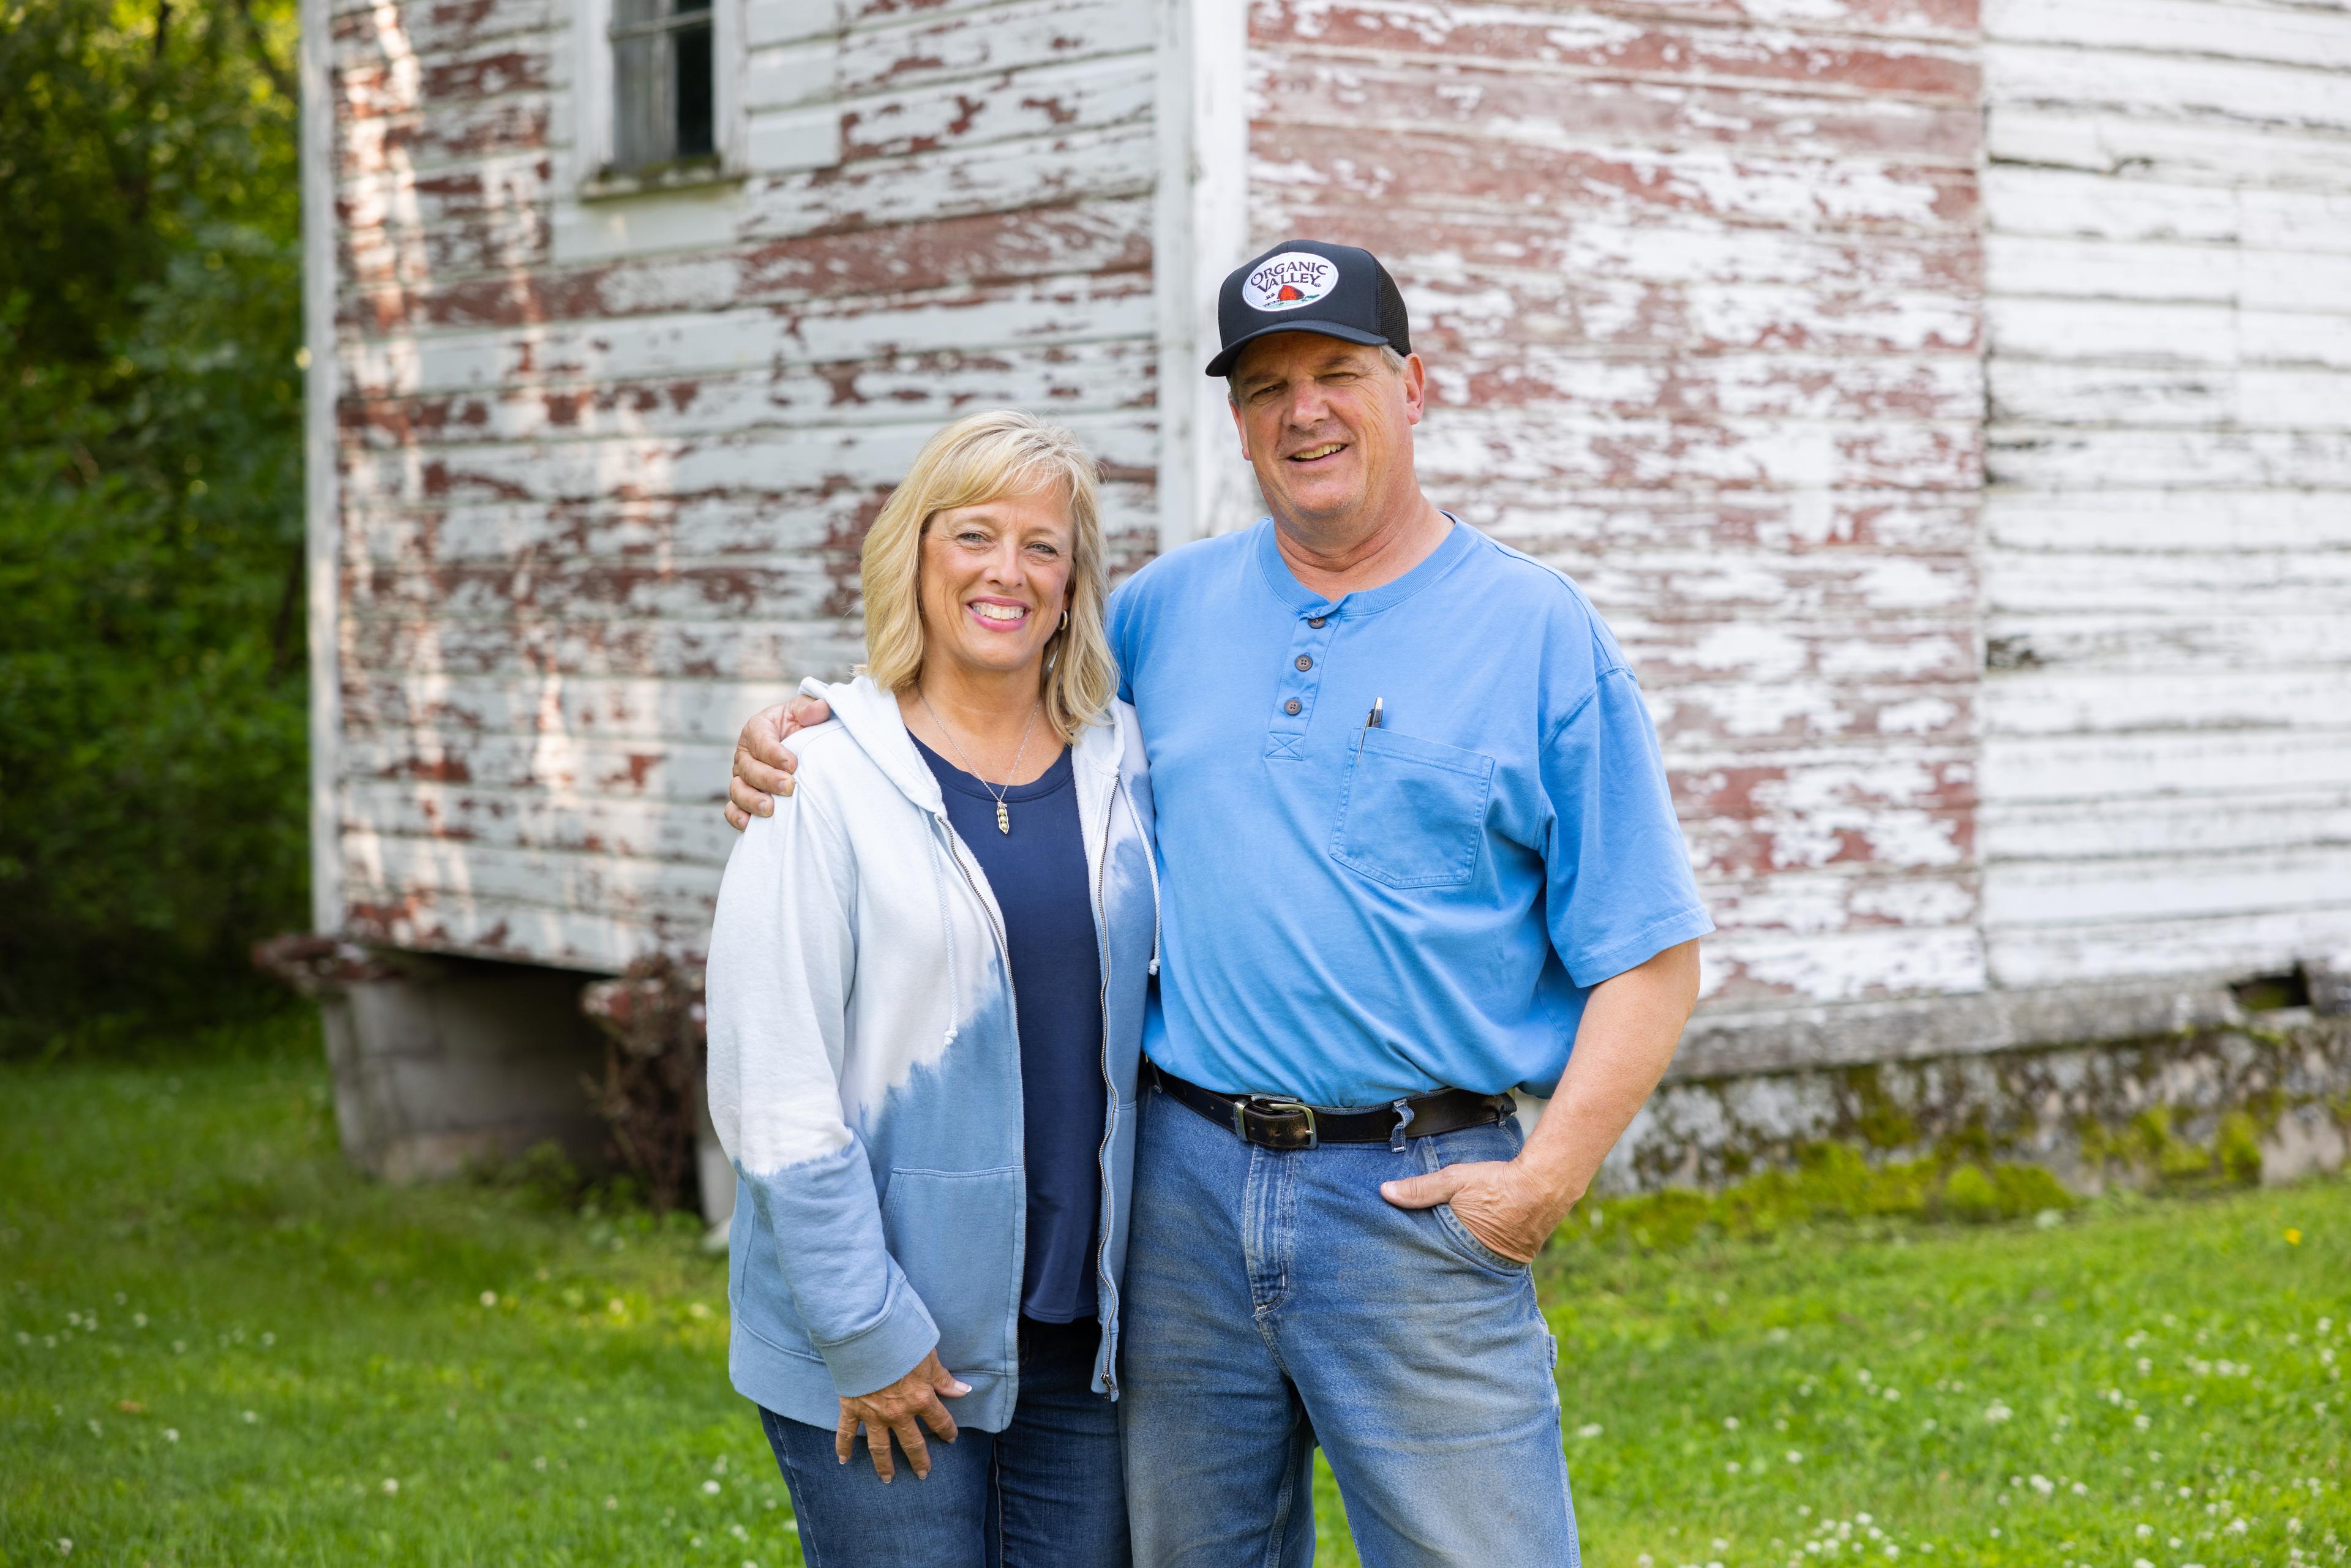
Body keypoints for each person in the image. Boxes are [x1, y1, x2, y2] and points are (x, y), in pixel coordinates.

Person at [725, 241, 1711, 1566]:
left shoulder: (1538, 632)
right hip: (1177, 1201)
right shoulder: (1165, 611)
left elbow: (1650, 957)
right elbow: (990, 690)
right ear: (1240, 420)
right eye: (1266, 385)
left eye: (1338, 374)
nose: (1304, 410)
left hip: (1416, 1196)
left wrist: (1543, 1182)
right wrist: (806, 725)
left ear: (1413, 387)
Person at [703, 409, 1159, 1568]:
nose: (1008, 571)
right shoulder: (824, 775)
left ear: (1072, 584)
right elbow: (773, 1078)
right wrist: (866, 1331)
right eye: (974, 535)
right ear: (916, 553)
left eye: (1043, 545)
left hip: (1079, 1338)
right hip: (887, 1339)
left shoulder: (1125, 762)